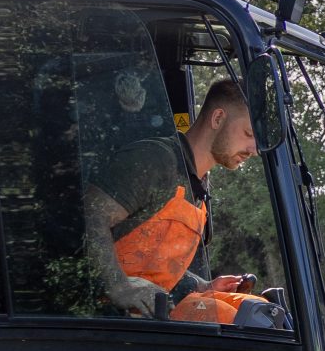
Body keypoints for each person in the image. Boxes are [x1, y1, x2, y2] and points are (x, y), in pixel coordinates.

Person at [83, 77, 282, 328]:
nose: (255, 150)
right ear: (218, 118)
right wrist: (118, 286)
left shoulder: (198, 184)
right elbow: (90, 215)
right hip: (100, 321)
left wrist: (202, 285)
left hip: (148, 318)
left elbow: (152, 262)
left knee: (255, 312)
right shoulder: (155, 161)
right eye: (249, 134)